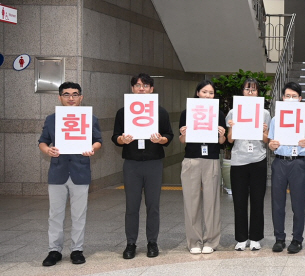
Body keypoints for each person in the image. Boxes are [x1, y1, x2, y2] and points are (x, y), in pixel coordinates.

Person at [38, 82, 102, 266]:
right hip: (57, 172)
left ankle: (77, 250)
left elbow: (98, 141)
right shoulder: (51, 119)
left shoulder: (90, 117)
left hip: (80, 171)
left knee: (79, 214)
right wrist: (47, 150)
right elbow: (42, 141)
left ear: (81, 97)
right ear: (60, 97)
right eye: (66, 94)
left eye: (75, 94)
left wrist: (92, 148)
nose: (71, 98)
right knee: (55, 214)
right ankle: (54, 251)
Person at [112, 73, 173, 260]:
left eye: (145, 86)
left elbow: (168, 136)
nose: (141, 89)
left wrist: (161, 139)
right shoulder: (123, 112)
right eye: (138, 85)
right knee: (132, 206)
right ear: (132, 89)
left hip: (154, 163)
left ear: (151, 89)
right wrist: (121, 139)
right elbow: (115, 137)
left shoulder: (160, 112)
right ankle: (130, 243)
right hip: (131, 164)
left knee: (153, 205)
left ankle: (152, 242)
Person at [267, 81, 305, 254]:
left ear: (300, 99)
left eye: (294, 96)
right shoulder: (275, 119)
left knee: (298, 204)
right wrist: (271, 145)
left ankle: (297, 239)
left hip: (297, 163)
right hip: (279, 161)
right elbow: (271, 143)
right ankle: (279, 238)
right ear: (282, 98)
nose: (290, 99)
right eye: (287, 96)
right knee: (277, 203)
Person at [179, 80, 226, 254]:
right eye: (204, 92)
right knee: (191, 202)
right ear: (197, 93)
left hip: (211, 160)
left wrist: (222, 135)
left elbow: (222, 142)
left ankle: (211, 241)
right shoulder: (187, 112)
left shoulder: (218, 113)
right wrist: (183, 134)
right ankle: (193, 241)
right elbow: (181, 140)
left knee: (212, 202)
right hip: (191, 159)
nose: (208, 95)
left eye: (211, 93)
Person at [226, 78, 271, 251]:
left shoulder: (265, 113)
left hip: (258, 159)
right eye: (247, 89)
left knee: (258, 200)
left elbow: (267, 140)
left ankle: (255, 237)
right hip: (238, 161)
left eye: (253, 90)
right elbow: (230, 140)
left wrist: (263, 130)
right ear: (242, 91)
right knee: (239, 200)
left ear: (258, 93)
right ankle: (241, 238)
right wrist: (232, 127)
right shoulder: (232, 112)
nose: (250, 92)